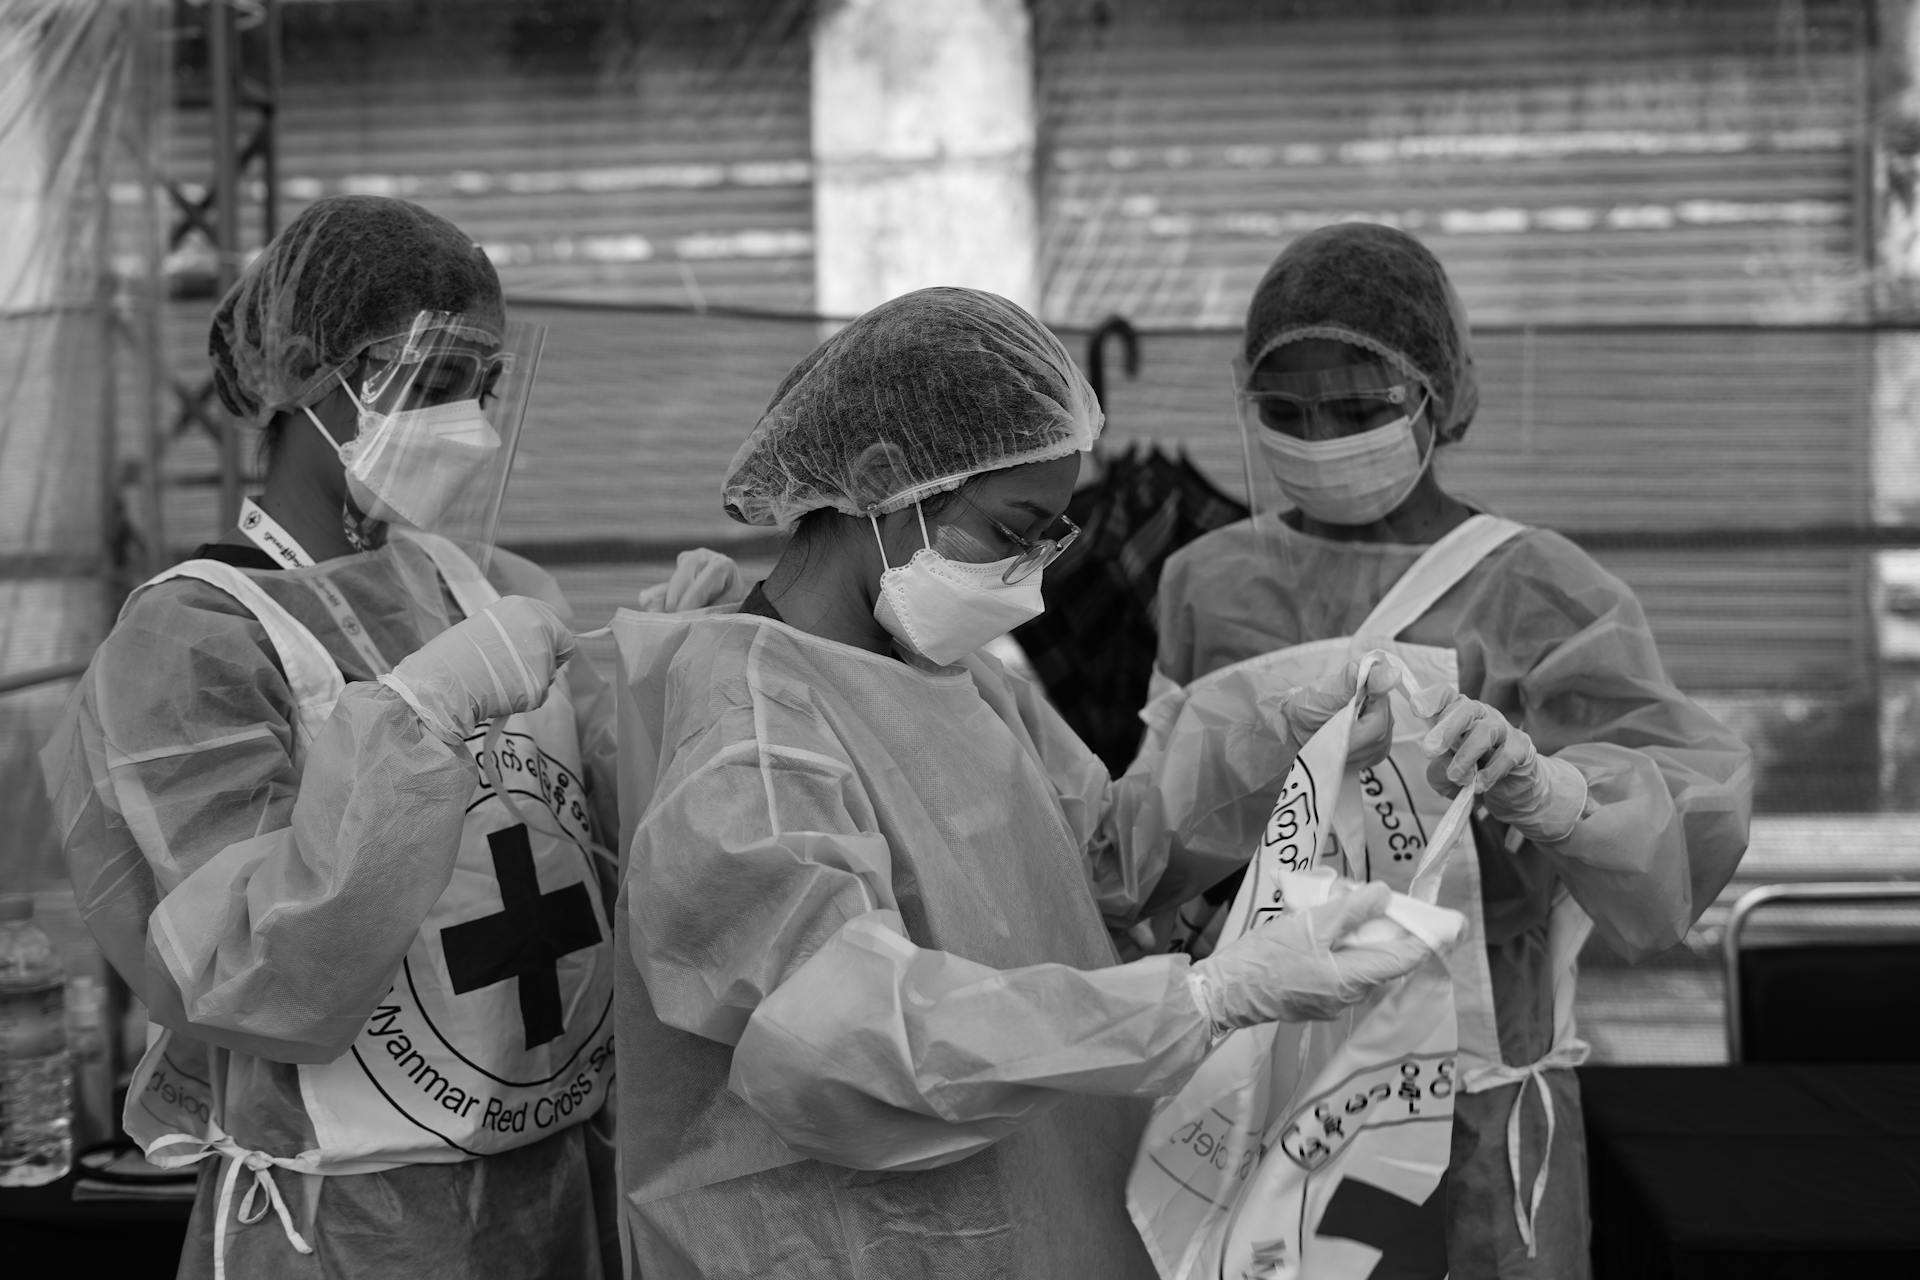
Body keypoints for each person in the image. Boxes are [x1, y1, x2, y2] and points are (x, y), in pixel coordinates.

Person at [607, 286, 1453, 1280]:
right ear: (884, 480)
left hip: (1046, 1211)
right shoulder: (747, 730)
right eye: (1014, 530)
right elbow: (845, 1035)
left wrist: (1283, 736)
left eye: (1052, 536)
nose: (1034, 581)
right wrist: (1201, 1000)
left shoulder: (954, 680)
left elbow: (1096, 855)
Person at [42, 195, 633, 1279]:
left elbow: (594, 842)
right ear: (310, 370)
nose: (473, 421)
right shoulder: (196, 639)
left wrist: (692, 676)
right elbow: (248, 972)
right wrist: (409, 720)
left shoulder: (487, 586)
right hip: (354, 1223)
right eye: (436, 378)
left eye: (484, 384)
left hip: (555, 1181)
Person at [1150, 222, 1754, 1278]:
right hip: (1260, 1076)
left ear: (1438, 397)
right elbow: (1160, 821)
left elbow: (1686, 805)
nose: (1320, 436)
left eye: (1357, 408)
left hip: (1476, 1085)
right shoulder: (1207, 581)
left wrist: (1552, 788)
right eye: (1285, 413)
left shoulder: (1541, 586)